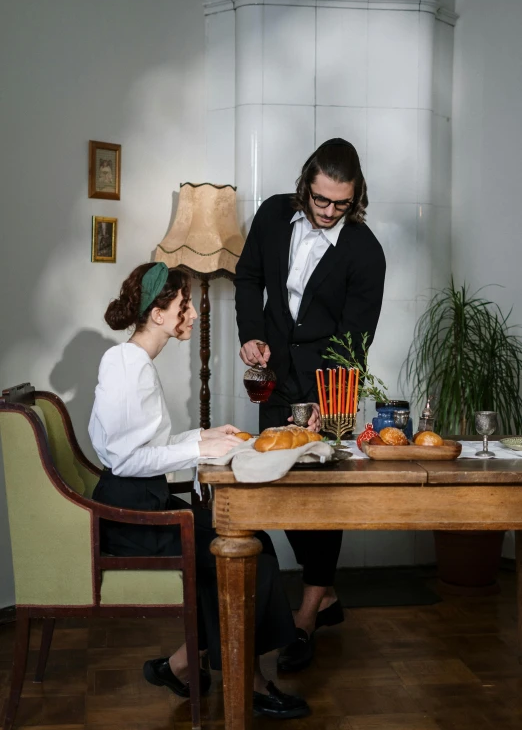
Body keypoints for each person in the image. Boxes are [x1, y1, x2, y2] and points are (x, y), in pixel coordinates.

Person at [89, 261, 309, 720]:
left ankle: (184, 664)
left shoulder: (134, 362)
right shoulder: (126, 366)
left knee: (249, 541)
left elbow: (143, 446)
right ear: (158, 314)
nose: (191, 315)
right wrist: (195, 452)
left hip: (143, 503)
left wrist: (205, 437)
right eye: (184, 306)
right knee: (240, 552)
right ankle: (246, 682)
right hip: (133, 519)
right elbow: (126, 459)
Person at [235, 138, 386, 672]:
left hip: (330, 386)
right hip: (275, 379)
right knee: (277, 485)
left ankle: (306, 612)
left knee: (321, 502)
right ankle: (325, 596)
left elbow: (356, 339)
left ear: (355, 197)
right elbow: (250, 278)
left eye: (339, 204)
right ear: (306, 186)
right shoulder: (275, 215)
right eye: (320, 200)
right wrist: (250, 334)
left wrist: (331, 403)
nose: (326, 212)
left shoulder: (366, 251)